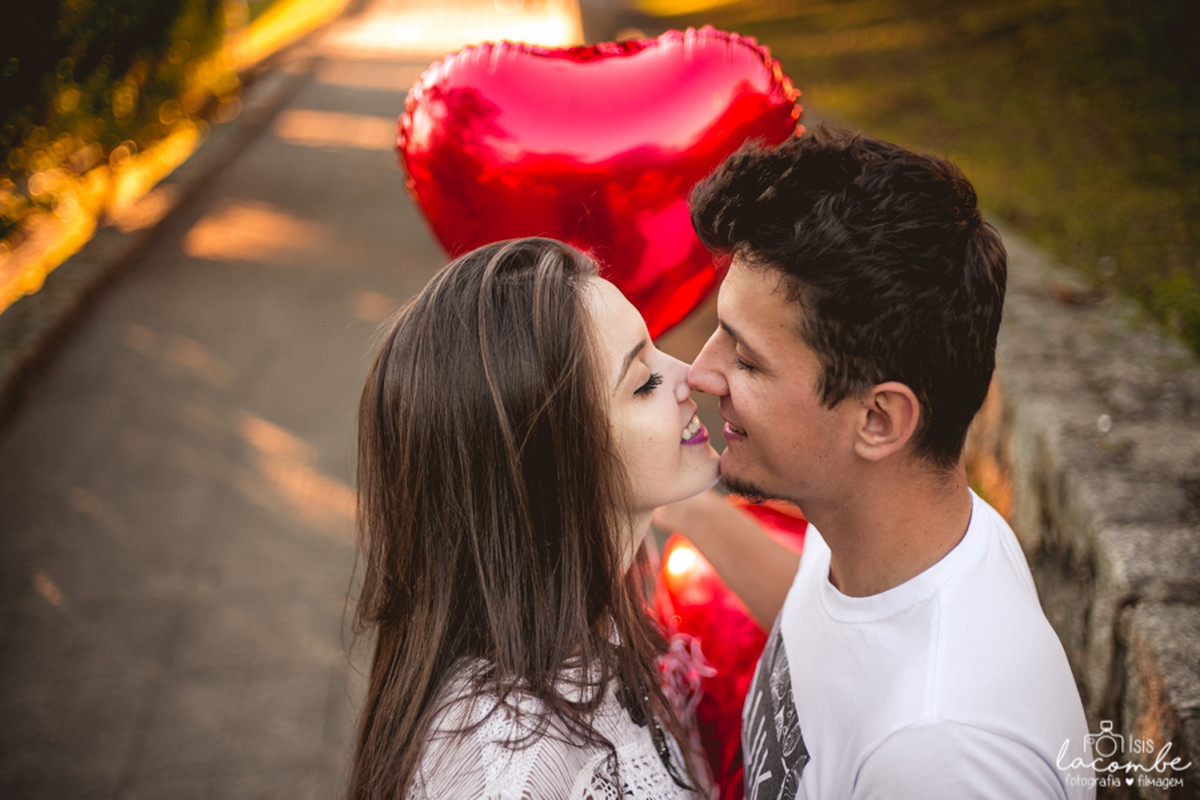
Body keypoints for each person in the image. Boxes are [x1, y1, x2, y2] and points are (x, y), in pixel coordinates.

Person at [658, 126, 1094, 799]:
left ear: (878, 421)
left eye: (745, 359)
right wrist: (669, 494)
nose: (701, 372)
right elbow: (823, 636)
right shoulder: (890, 538)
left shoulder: (941, 755)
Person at [347, 237, 720, 799]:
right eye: (643, 382)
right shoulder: (509, 770)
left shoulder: (606, 618)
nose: (691, 374)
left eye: (658, 348)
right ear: (549, 464)